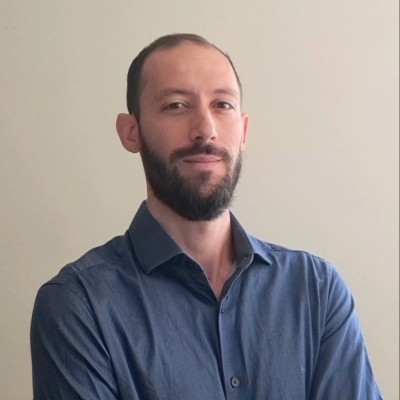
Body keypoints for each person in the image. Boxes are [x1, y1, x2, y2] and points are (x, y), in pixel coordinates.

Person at [30, 33, 383, 399]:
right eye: (176, 106)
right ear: (131, 132)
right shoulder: (79, 306)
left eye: (222, 105)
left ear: (243, 131)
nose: (205, 130)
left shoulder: (317, 290)